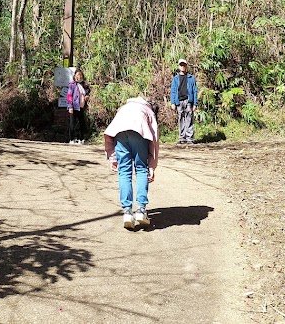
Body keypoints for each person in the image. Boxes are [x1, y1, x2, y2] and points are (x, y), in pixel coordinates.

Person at [104, 94, 159, 230]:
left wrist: (112, 157)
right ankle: (141, 210)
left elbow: (111, 131)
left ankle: (127, 212)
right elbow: (154, 140)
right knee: (141, 169)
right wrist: (152, 166)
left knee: (124, 172)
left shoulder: (123, 108)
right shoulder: (148, 111)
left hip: (120, 135)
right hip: (139, 135)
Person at [170, 58, 198, 144]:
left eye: (184, 65)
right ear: (178, 66)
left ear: (186, 66)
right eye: (181, 65)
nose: (182, 67)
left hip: (188, 101)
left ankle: (189, 138)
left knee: (189, 119)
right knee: (181, 119)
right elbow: (173, 91)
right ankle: (182, 138)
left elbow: (195, 91)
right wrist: (172, 102)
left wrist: (195, 103)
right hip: (179, 101)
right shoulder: (175, 78)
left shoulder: (191, 78)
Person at [67, 68, 91, 144]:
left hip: (81, 106)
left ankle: (81, 139)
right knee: (72, 124)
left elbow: (87, 93)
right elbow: (69, 96)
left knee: (82, 123)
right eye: (77, 75)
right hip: (74, 106)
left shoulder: (85, 85)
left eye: (80, 75)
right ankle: (71, 139)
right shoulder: (72, 85)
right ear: (74, 76)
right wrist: (70, 106)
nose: (79, 76)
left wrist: (87, 96)